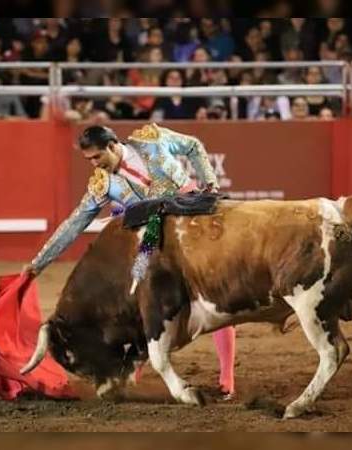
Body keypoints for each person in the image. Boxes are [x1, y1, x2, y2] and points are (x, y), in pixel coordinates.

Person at [23, 124, 237, 398]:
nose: (95, 164)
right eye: (89, 159)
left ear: (112, 146)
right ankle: (135, 371)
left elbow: (193, 145)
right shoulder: (103, 184)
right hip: (152, 240)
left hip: (194, 223)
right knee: (138, 291)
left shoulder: (152, 140)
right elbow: (74, 224)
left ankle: (226, 376)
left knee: (216, 288)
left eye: (97, 156)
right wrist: (38, 263)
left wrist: (210, 182)